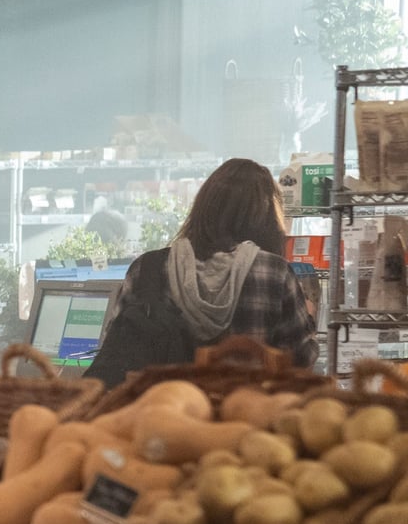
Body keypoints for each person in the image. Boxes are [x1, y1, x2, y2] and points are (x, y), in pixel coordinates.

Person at [86, 158, 314, 387]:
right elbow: (300, 363)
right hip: (244, 414)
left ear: (204, 208)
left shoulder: (146, 268)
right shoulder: (275, 273)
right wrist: (309, 315)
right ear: (268, 220)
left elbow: (115, 347)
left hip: (159, 411)